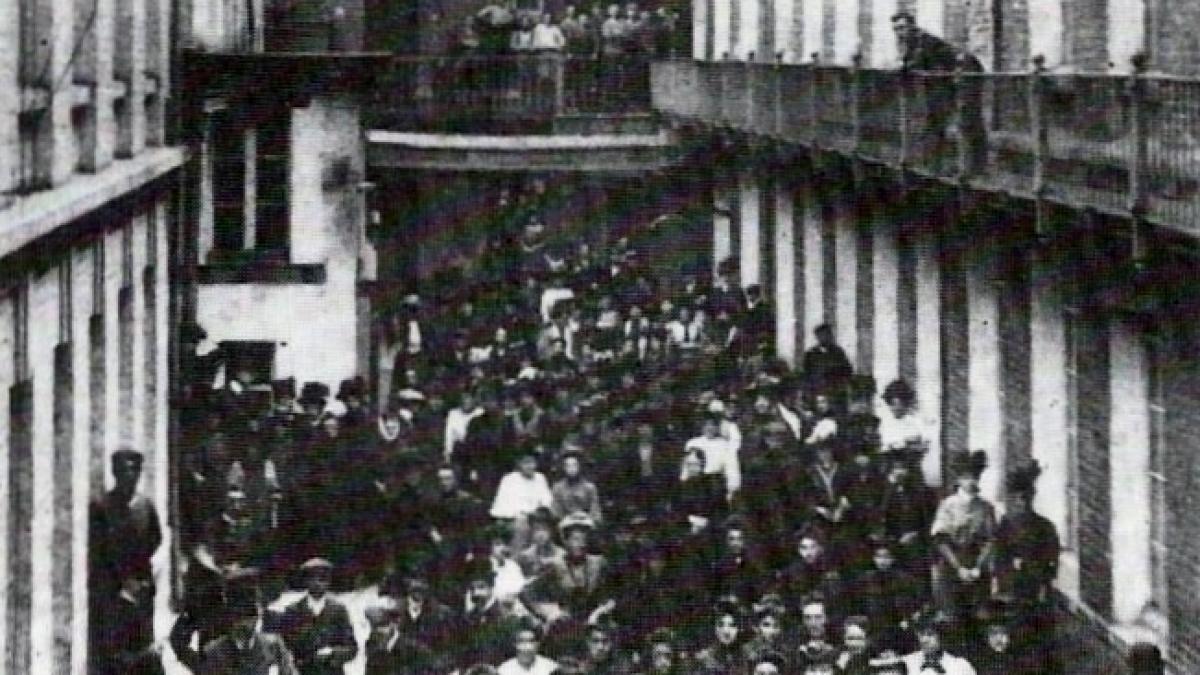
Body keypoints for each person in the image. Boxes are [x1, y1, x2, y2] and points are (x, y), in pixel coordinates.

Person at [930, 451, 997, 625]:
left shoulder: (985, 507)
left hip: (977, 566)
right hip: (952, 564)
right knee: (951, 617)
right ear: (959, 479)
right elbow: (941, 539)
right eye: (966, 477)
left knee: (979, 616)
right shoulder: (948, 505)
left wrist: (978, 567)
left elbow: (990, 540)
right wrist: (958, 567)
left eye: (975, 477)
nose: (971, 481)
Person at [198, 579, 298, 675]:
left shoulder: (273, 646)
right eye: (239, 615)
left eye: (251, 615)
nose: (246, 622)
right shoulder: (215, 653)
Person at [278, 559, 358, 675]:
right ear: (305, 581)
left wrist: (332, 653)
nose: (317, 583)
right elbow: (283, 648)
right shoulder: (293, 611)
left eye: (322, 579)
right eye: (312, 578)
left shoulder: (338, 610)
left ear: (329, 582)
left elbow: (351, 648)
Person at [900, 613, 978, 675]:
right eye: (921, 634)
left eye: (930, 635)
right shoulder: (906, 663)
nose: (924, 640)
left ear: (941, 637)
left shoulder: (960, 666)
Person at [801, 324, 853, 402]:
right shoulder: (811, 353)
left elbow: (847, 370)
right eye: (820, 335)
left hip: (835, 390)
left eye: (826, 334)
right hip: (816, 390)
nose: (823, 337)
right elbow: (806, 372)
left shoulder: (838, 352)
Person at [551, 450, 604, 524]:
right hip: (566, 520)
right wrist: (566, 517)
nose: (571, 469)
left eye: (574, 465)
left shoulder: (590, 487)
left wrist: (587, 517)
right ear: (564, 468)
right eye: (568, 466)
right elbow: (556, 509)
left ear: (579, 467)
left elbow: (594, 508)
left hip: (586, 520)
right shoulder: (558, 488)